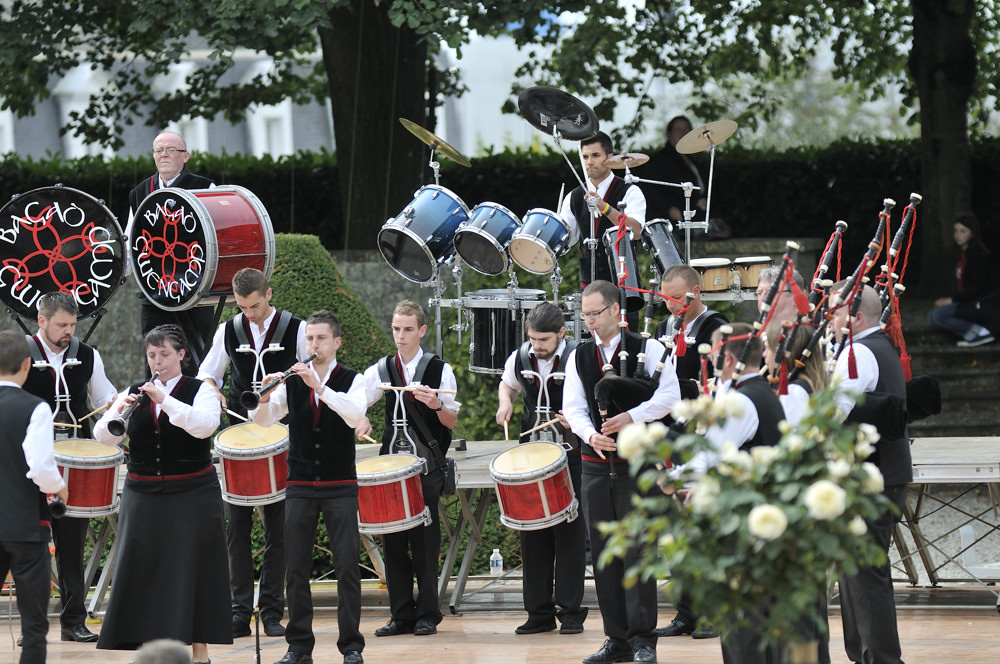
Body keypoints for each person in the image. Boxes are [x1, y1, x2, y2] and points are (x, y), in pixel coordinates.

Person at [93, 324, 230, 663]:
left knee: (196, 568)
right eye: (152, 355)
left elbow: (204, 426)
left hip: (192, 490)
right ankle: (144, 650)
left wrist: (165, 400)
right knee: (141, 567)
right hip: (144, 491)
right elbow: (103, 437)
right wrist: (117, 410)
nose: (157, 362)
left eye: (164, 354)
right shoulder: (135, 391)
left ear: (182, 354)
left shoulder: (201, 390)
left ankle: (200, 652)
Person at [563, 280, 681, 664]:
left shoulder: (650, 349)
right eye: (585, 315)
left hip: (637, 467)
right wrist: (591, 435)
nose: (590, 321)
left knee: (638, 552)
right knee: (604, 555)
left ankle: (644, 638)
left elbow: (669, 397)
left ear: (616, 310)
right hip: (595, 467)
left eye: (595, 313)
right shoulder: (579, 355)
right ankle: (616, 639)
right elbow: (575, 406)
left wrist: (632, 416)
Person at [198, 267, 309, 640]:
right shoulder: (228, 329)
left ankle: (273, 611)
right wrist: (212, 388)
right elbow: (206, 372)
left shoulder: (296, 327)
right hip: (239, 439)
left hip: (281, 437)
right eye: (244, 307)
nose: (251, 314)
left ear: (269, 294)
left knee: (279, 530)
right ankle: (238, 612)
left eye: (256, 306)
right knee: (238, 529)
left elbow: (314, 374)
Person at [250, 310, 366, 664]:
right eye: (310, 339)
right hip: (299, 483)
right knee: (295, 567)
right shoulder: (293, 380)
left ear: (336, 342)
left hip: (339, 484)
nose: (313, 345)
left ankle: (351, 646)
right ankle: (299, 646)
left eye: (320, 339)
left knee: (347, 566)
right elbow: (265, 420)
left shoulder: (353, 379)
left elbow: (353, 413)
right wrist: (266, 397)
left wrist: (321, 387)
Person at [356, 299, 460, 637]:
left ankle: (428, 614)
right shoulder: (381, 370)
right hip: (392, 468)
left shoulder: (439, 370)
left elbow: (452, 420)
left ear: (422, 331)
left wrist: (437, 403)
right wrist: (359, 419)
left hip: (427, 468)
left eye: (408, 330)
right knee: (394, 542)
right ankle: (400, 615)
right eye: (396, 329)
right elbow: (357, 402)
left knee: (426, 543)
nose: (400, 336)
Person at [21, 292, 117, 645]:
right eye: (61, 324)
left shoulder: (87, 355)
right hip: (30, 461)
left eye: (73, 324)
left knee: (72, 544)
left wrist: (115, 406)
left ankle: (73, 621)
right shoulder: (21, 354)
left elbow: (105, 397)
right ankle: (34, 625)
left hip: (76, 462)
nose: (68, 331)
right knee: (30, 546)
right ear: (41, 321)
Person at [494, 302, 588, 636]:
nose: (537, 345)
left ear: (562, 333)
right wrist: (505, 401)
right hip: (531, 455)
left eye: (544, 339)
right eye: (533, 339)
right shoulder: (520, 357)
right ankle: (538, 613)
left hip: (571, 453)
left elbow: (595, 396)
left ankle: (572, 612)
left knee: (570, 536)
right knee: (531, 532)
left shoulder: (580, 355)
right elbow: (508, 384)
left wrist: (577, 416)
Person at [829, 283, 909, 664]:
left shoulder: (859, 352)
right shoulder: (878, 347)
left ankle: (881, 660)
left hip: (871, 478)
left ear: (856, 318)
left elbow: (832, 414)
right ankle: (866, 656)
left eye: (834, 312)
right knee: (857, 576)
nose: (828, 319)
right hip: (882, 475)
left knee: (865, 577)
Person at [0, 330, 68, 664]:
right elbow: (40, 466)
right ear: (27, 365)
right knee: (34, 623)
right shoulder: (35, 408)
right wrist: (59, 485)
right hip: (26, 524)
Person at [127, 130, 216, 372]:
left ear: (185, 156)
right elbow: (131, 242)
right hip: (154, 290)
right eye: (159, 150)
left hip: (194, 291)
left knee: (197, 357)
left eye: (171, 150)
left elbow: (214, 238)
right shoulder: (140, 192)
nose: (164, 154)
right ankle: (155, 406)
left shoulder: (204, 187)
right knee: (155, 355)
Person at [560, 131, 647, 289]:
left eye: (595, 155)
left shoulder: (630, 191)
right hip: (588, 286)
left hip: (624, 285)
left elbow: (637, 231)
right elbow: (566, 239)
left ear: (610, 157)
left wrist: (605, 207)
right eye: (585, 157)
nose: (589, 162)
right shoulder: (574, 196)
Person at [654, 263, 729, 401]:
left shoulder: (718, 329)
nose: (670, 306)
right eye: (665, 299)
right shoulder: (662, 328)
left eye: (676, 298)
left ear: (695, 291)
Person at [928, 212, 998, 347]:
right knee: (934, 315)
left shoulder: (979, 256)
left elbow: (977, 287)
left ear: (973, 233)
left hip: (981, 304)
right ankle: (977, 333)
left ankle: (982, 333)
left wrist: (951, 300)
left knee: (937, 316)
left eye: (963, 231)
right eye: (956, 231)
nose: (958, 235)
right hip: (968, 301)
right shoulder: (962, 255)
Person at [637, 116, 706, 224]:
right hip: (670, 221)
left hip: (693, 217)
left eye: (687, 130)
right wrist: (669, 208)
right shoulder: (659, 160)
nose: (683, 133)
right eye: (678, 130)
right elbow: (649, 190)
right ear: (669, 134)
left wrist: (703, 201)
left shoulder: (692, 160)